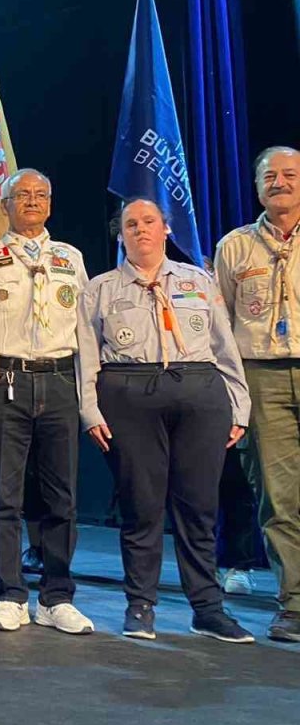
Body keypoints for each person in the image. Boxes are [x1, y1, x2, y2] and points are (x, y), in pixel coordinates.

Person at [79, 198, 252, 643]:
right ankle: (141, 605)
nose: (140, 230)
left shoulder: (199, 280)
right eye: (131, 224)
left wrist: (240, 404)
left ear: (166, 230)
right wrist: (89, 409)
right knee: (142, 504)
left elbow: (224, 346)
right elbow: (87, 356)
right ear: (122, 235)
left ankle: (208, 608)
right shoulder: (100, 288)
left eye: (149, 222)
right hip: (129, 394)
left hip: (199, 392)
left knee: (198, 506)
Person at [0, 169, 93, 634]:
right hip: (7, 379)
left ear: (51, 203)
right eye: (23, 195)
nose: (33, 202)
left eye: (42, 194)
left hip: (59, 379)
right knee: (4, 494)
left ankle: (56, 595)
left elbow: (85, 329)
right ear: (6, 205)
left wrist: (89, 395)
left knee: (62, 496)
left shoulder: (71, 257)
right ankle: (9, 593)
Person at [214, 146, 300, 641]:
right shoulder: (235, 247)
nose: (280, 183)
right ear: (257, 186)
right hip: (261, 376)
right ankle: (294, 602)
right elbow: (221, 325)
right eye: (270, 176)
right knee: (279, 497)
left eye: (290, 175)